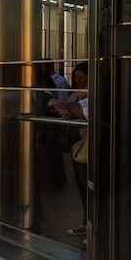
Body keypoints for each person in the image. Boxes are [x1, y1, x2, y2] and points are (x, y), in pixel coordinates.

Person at [49, 62, 88, 243]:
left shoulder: (93, 94)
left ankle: (94, 225)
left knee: (89, 183)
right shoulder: (75, 94)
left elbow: (83, 112)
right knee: (81, 183)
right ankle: (87, 221)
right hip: (76, 142)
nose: (79, 81)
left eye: (82, 77)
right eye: (77, 78)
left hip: (88, 142)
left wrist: (68, 108)